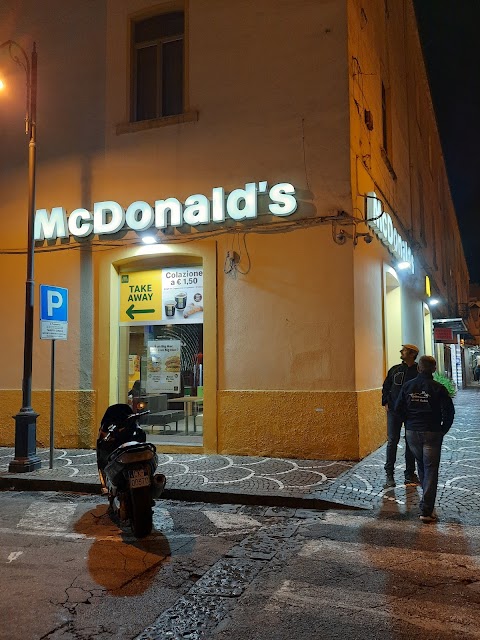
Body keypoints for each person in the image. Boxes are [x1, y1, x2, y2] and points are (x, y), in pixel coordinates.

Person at [394, 355, 455, 523]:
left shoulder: (408, 386)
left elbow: (398, 409)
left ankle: (426, 504)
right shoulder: (438, 388)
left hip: (413, 432)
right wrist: (443, 429)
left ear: (419, 369)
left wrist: (409, 422)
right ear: (434, 369)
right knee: (431, 469)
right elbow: (449, 412)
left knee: (422, 465)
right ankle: (427, 510)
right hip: (432, 432)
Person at [381, 344, 420, 487]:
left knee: (411, 443)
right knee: (392, 442)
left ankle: (409, 474)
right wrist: (385, 401)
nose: (400, 352)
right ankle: (389, 474)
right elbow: (386, 386)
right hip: (394, 412)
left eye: (403, 351)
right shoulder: (395, 370)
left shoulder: (418, 371)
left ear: (412, 354)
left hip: (412, 413)